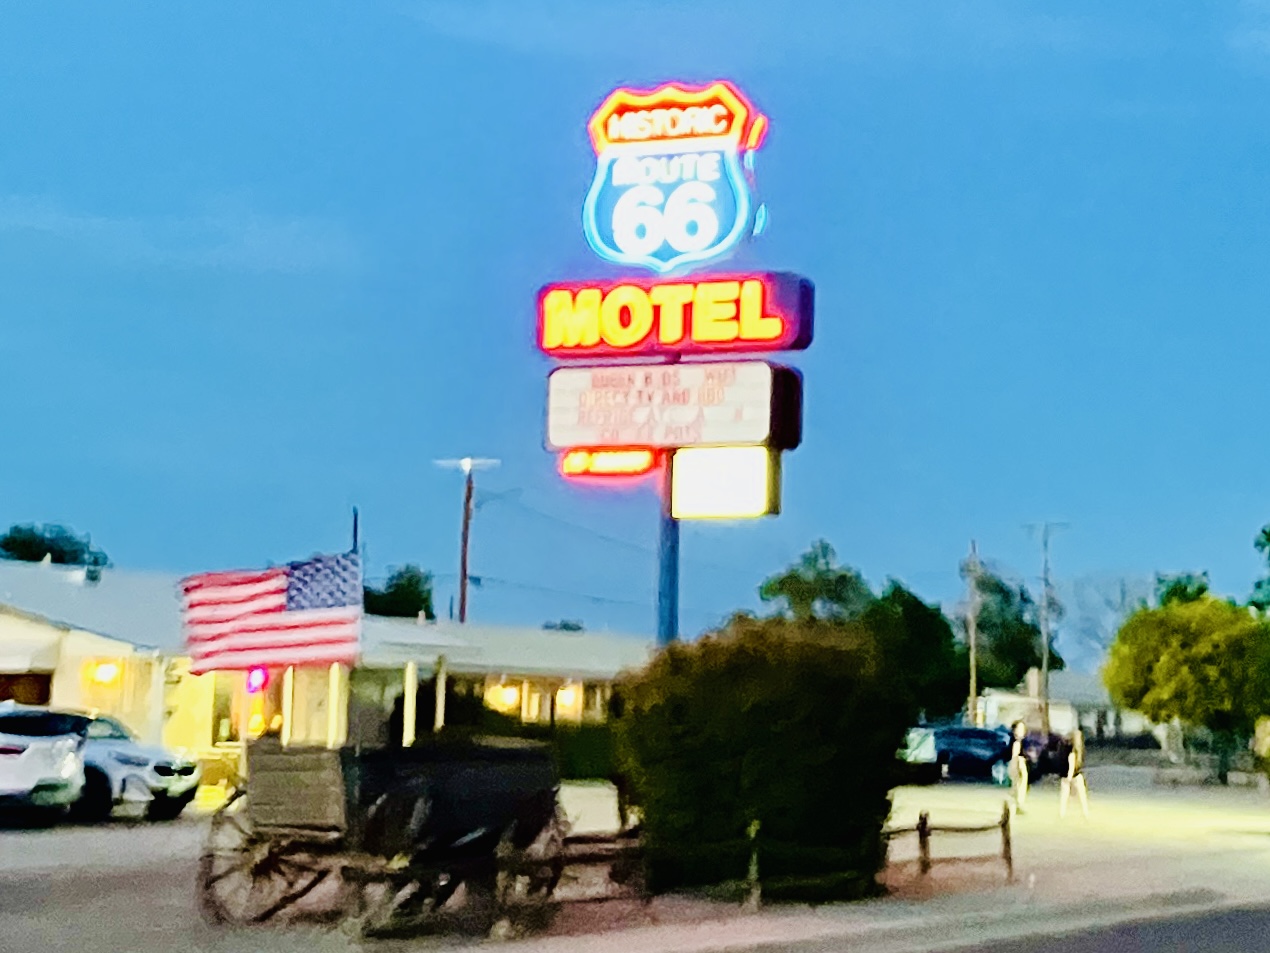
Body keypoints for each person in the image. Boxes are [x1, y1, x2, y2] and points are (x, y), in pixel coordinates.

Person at [1060, 728, 1090, 819]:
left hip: (1068, 777)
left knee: (1064, 798)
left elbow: (1071, 765)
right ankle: (1085, 814)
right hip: (1078, 776)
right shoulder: (1079, 752)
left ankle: (1062, 814)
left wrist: (1068, 779)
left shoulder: (1070, 752)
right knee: (1082, 798)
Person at [1010, 721, 1030, 813]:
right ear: (1015, 731)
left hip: (1020, 763)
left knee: (1019, 786)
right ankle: (1016, 805)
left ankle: (1017, 805)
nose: (1023, 731)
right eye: (1020, 728)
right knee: (1019, 786)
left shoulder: (1020, 742)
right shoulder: (1017, 743)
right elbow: (1015, 756)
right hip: (1019, 764)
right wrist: (1016, 768)